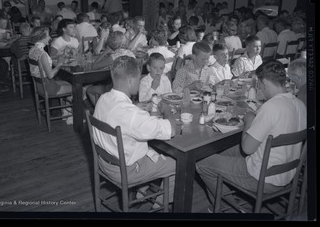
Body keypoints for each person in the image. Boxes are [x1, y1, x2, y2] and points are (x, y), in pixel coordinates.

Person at [195, 59, 307, 212]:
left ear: (265, 83)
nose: (260, 89)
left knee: (202, 163)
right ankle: (225, 197)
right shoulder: (300, 105)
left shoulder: (271, 107)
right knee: (221, 151)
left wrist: (249, 120)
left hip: (262, 177)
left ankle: (226, 208)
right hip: (288, 174)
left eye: (259, 85)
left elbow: (247, 149)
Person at [93, 56, 178, 209]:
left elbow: (121, 113)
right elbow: (171, 130)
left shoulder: (103, 99)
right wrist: (166, 110)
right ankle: (158, 204)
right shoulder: (132, 115)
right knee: (179, 163)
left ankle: (142, 191)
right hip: (126, 171)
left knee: (153, 150)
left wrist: (135, 105)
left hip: (104, 163)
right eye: (139, 78)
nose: (139, 82)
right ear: (131, 80)